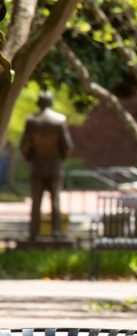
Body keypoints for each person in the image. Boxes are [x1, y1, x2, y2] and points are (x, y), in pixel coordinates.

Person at [19, 90, 73, 241]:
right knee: (55, 201)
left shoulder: (32, 121)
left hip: (37, 165)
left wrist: (30, 157)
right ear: (51, 102)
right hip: (55, 166)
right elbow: (67, 146)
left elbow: (24, 146)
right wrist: (61, 158)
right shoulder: (59, 120)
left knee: (36, 202)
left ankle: (34, 233)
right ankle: (56, 232)